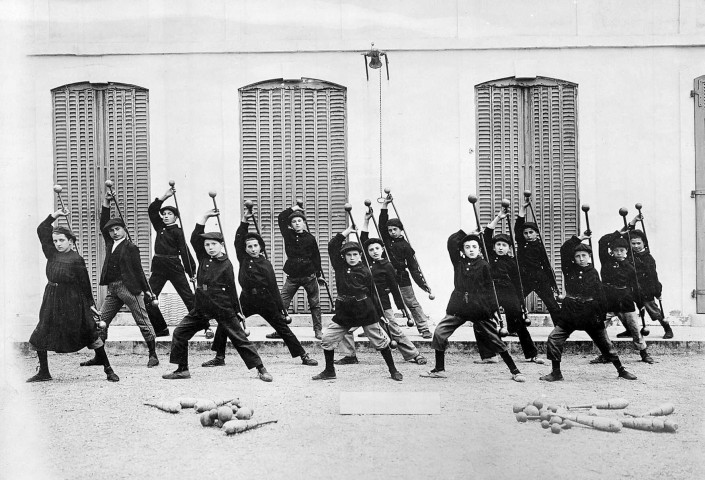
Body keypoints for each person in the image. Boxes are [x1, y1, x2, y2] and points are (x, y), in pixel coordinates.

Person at [162, 208, 272, 382]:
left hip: (222, 306)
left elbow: (231, 289)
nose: (210, 248)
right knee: (180, 333)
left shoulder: (226, 264)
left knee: (240, 339)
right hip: (202, 306)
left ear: (221, 245)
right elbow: (194, 238)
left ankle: (261, 369)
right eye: (207, 245)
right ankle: (182, 369)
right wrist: (204, 217)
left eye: (213, 244)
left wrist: (237, 309)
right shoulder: (203, 258)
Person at [201, 208, 318, 368]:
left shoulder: (266, 264)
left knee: (283, 329)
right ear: (246, 248)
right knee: (225, 323)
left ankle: (303, 355)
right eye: (249, 246)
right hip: (246, 299)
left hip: (266, 300)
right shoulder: (242, 258)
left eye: (256, 245)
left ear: (261, 247)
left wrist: (281, 309)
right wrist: (244, 221)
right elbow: (238, 240)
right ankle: (219, 357)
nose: (253, 248)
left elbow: (274, 287)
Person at [420, 230, 525, 382]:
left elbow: (490, 289)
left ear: (480, 249)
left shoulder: (484, 265)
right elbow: (451, 244)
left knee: (495, 339)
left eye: (474, 246)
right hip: (459, 307)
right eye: (467, 247)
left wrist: (493, 310)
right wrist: (466, 233)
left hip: (479, 308)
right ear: (462, 250)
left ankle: (515, 371)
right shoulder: (458, 263)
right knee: (439, 333)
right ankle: (439, 369)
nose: (471, 249)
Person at [28, 209, 118, 382]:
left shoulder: (76, 259)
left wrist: (90, 304)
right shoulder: (51, 253)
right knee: (41, 332)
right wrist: (54, 216)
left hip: (72, 300)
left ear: (70, 241)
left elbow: (84, 282)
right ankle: (44, 372)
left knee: (89, 331)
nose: (58, 244)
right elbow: (41, 229)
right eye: (55, 240)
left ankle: (108, 369)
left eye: (62, 240)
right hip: (51, 298)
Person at [334, 211, 427, 365]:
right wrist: (365, 221)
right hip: (363, 303)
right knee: (346, 328)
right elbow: (363, 238)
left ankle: (414, 354)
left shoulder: (388, 266)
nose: (374, 252)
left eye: (377, 248)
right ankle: (350, 355)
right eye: (371, 250)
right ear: (366, 252)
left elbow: (395, 288)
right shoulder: (364, 264)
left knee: (393, 329)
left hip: (382, 303)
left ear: (382, 249)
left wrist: (401, 307)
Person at [540, 235, 637, 381]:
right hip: (570, 313)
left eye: (584, 255)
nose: (581, 259)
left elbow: (601, 296)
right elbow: (564, 249)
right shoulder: (569, 269)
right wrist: (578, 238)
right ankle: (556, 372)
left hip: (590, 314)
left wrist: (601, 315)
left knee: (605, 344)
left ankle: (621, 370)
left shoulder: (593, 272)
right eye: (577, 256)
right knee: (554, 339)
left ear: (589, 257)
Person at [312, 226, 403, 381]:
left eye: (355, 254)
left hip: (364, 310)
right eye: (348, 255)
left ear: (361, 255)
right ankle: (329, 371)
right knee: (327, 341)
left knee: (380, 342)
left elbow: (373, 294)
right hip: (344, 311)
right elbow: (333, 245)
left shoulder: (367, 271)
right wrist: (348, 231)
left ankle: (393, 370)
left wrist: (379, 315)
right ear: (344, 257)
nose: (352, 258)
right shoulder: (339, 267)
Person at [80, 189, 159, 368]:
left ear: (124, 230)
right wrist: (106, 203)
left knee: (143, 321)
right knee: (101, 322)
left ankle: (153, 355)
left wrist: (147, 291)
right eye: (112, 230)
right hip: (113, 289)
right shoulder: (110, 244)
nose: (114, 232)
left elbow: (139, 270)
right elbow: (102, 224)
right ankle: (99, 356)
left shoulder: (131, 247)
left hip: (129, 289)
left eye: (118, 229)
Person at [479, 210, 544, 365]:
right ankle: (488, 355)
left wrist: (521, 304)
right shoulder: (489, 256)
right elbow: (487, 235)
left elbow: (518, 284)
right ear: (493, 247)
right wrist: (498, 218)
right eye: (498, 245)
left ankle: (531, 354)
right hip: (492, 290)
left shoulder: (512, 262)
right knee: (483, 320)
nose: (501, 248)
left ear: (509, 248)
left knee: (519, 323)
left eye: (504, 245)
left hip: (508, 291)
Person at [592, 230, 655, 365]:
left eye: (622, 250)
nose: (619, 253)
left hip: (626, 302)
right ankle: (606, 354)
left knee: (635, 329)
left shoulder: (630, 267)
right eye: (616, 250)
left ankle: (644, 353)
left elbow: (636, 287)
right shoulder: (606, 261)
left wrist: (640, 304)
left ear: (627, 251)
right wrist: (619, 233)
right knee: (599, 329)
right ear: (611, 252)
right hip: (608, 301)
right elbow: (602, 241)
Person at [147, 188, 199, 337]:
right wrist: (165, 196)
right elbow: (152, 210)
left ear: (176, 218)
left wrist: (191, 272)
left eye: (170, 214)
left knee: (188, 297)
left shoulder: (178, 232)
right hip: (158, 267)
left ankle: (204, 326)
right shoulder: (159, 227)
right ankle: (161, 328)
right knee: (148, 298)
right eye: (164, 214)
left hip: (174, 266)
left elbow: (185, 252)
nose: (165, 216)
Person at [379, 197, 433, 338]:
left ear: (401, 230)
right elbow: (381, 225)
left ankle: (423, 327)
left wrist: (423, 285)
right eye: (390, 230)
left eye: (395, 229)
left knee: (411, 302)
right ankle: (377, 328)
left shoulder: (406, 247)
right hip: (385, 276)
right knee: (378, 300)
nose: (392, 232)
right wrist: (385, 205)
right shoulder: (386, 241)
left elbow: (414, 268)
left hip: (401, 276)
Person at [267, 204, 323, 339]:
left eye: (299, 221)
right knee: (282, 303)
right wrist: (294, 208)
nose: (297, 223)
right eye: (294, 221)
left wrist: (318, 274)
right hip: (292, 276)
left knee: (315, 304)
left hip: (309, 275)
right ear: (290, 225)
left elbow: (316, 256)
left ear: (304, 223)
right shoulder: (288, 235)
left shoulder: (310, 238)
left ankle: (318, 331)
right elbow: (281, 218)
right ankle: (280, 330)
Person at [616, 214, 672, 339]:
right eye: (633, 243)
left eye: (638, 243)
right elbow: (625, 234)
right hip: (630, 289)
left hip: (645, 289)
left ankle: (667, 328)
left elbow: (654, 276)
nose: (635, 246)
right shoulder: (630, 254)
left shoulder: (648, 258)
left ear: (644, 243)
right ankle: (629, 330)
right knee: (621, 310)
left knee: (654, 311)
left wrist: (657, 291)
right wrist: (633, 221)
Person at [514, 202, 560, 316]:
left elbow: (547, 265)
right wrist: (522, 209)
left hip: (540, 278)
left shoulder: (541, 246)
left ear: (537, 233)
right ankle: (514, 328)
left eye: (531, 232)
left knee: (552, 304)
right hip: (524, 279)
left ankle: (561, 330)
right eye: (526, 233)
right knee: (514, 302)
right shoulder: (522, 243)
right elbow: (517, 228)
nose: (528, 235)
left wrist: (553, 283)